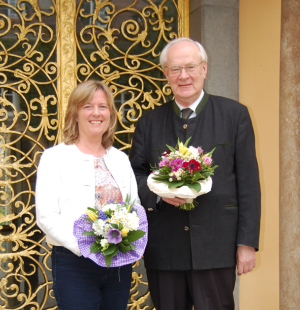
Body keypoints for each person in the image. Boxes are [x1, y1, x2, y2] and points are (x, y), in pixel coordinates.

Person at [130, 38, 261, 310]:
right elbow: (135, 176)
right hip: (165, 248)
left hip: (216, 246)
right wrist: (158, 195)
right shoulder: (148, 122)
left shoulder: (234, 115)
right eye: (175, 69)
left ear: (204, 68)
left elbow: (248, 183)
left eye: (190, 67)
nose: (184, 76)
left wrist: (246, 243)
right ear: (166, 74)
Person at [36, 80, 141, 310]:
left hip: (117, 265)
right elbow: (46, 216)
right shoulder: (55, 157)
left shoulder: (120, 159)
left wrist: (132, 243)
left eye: (103, 107)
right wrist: (84, 247)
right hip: (74, 262)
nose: (96, 113)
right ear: (75, 113)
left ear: (110, 114)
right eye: (87, 106)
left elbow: (135, 207)